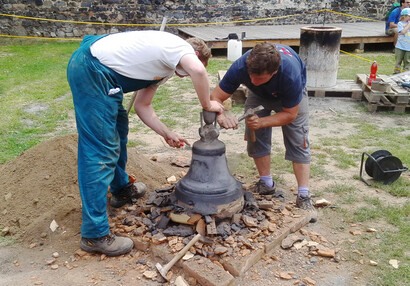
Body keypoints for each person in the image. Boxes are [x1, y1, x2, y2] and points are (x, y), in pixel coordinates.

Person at [67, 30, 224, 256]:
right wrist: (208, 104)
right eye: (193, 66)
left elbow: (143, 106)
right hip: (92, 71)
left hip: (104, 76)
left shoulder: (166, 67)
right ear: (196, 52)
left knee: (119, 130)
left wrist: (166, 133)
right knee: (100, 150)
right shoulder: (179, 48)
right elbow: (198, 70)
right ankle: (94, 235)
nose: (189, 75)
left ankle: (122, 189)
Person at [211, 42, 317, 223]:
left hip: (290, 97)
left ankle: (304, 195)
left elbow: (290, 115)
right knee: (254, 136)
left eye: (259, 78)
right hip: (259, 95)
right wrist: (222, 116)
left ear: (274, 72)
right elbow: (216, 97)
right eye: (251, 76)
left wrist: (262, 122)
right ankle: (266, 183)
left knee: (298, 140)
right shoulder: (242, 66)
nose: (252, 81)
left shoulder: (289, 74)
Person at [394, 8, 410, 73]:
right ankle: (396, 73)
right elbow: (402, 32)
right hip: (400, 46)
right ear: (404, 16)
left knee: (407, 61)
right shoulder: (400, 23)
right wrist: (408, 25)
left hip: (408, 47)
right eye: (409, 16)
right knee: (398, 61)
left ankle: (406, 74)